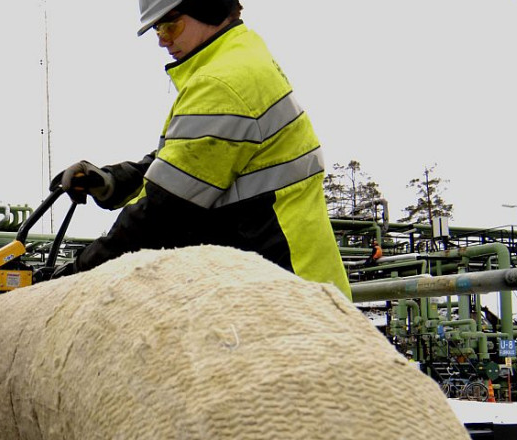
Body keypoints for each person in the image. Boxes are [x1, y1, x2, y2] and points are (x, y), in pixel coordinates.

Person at [52, 0, 351, 299]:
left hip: (287, 293)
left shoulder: (222, 83)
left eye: (170, 24)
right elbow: (180, 165)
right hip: (293, 279)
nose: (161, 39)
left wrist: (75, 277)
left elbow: (162, 215)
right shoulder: (239, 57)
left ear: (207, 7)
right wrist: (112, 181)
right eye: (157, 27)